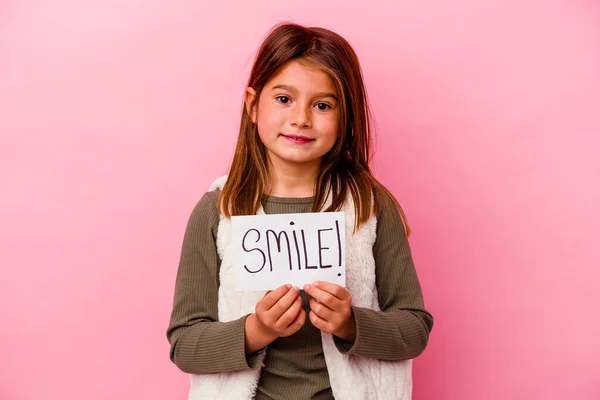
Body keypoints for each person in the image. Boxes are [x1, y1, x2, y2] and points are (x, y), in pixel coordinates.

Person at [166, 22, 433, 400]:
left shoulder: (370, 207)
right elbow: (185, 344)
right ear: (253, 105)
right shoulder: (216, 211)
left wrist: (351, 324)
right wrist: (256, 330)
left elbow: (414, 330)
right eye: (284, 99)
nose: (302, 118)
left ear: (345, 118)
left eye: (322, 105)